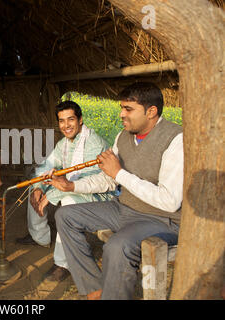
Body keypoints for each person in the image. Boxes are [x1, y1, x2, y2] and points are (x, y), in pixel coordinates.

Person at [55, 82, 183, 299]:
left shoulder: (176, 139)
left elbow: (169, 201)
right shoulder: (123, 136)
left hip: (161, 219)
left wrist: (120, 174)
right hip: (123, 208)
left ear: (151, 112)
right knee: (65, 215)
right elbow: (108, 179)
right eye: (122, 108)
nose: (122, 114)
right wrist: (72, 186)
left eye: (129, 109)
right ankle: (94, 288)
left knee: (117, 246)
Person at [16, 101, 115, 282]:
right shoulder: (64, 144)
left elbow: (84, 182)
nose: (66, 125)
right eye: (62, 121)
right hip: (74, 185)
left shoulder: (93, 143)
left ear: (80, 120)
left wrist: (50, 195)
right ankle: (40, 237)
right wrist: (39, 187)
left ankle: (63, 264)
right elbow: (48, 165)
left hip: (99, 194)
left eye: (70, 119)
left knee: (68, 202)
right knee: (35, 186)